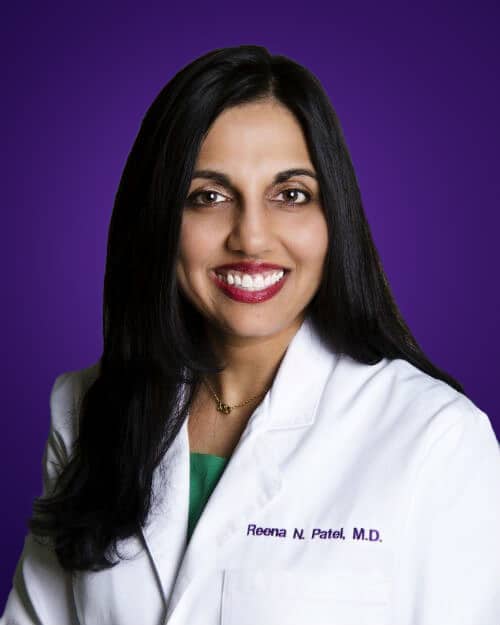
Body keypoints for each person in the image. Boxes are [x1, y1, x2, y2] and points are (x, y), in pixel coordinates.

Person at [2, 44, 500, 625]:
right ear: (159, 219)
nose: (252, 238)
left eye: (291, 195)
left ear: (333, 218)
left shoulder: (437, 438)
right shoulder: (86, 407)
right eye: (208, 197)